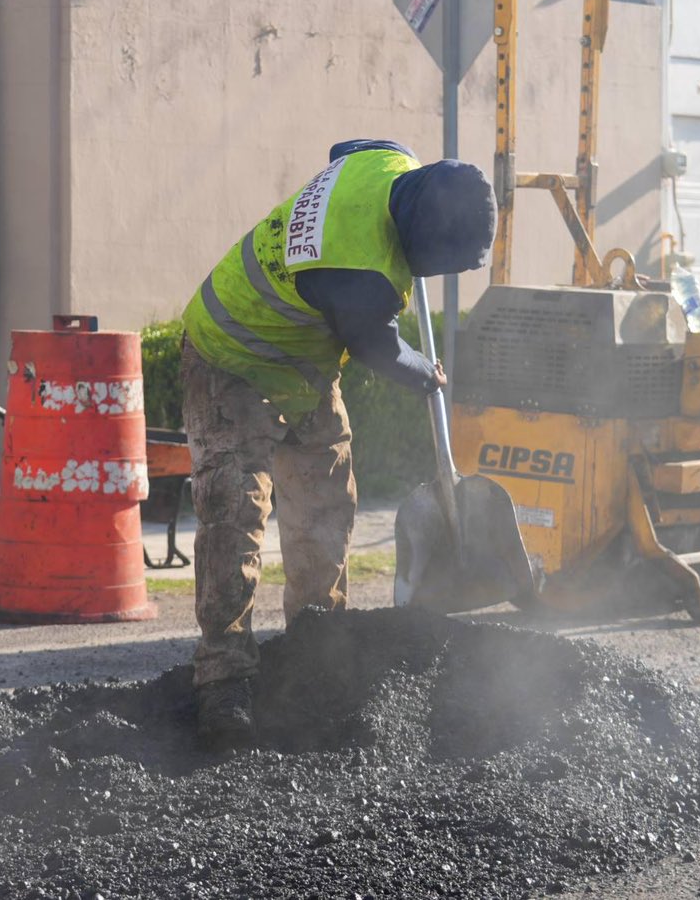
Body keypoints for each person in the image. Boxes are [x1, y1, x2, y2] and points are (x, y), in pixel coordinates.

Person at [179, 140, 495, 749]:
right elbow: (376, 345)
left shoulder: (387, 159)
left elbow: (343, 148)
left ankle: (315, 652)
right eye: (434, 265)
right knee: (235, 515)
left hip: (301, 367)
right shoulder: (361, 269)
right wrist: (423, 371)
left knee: (325, 504)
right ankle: (224, 682)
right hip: (233, 357)